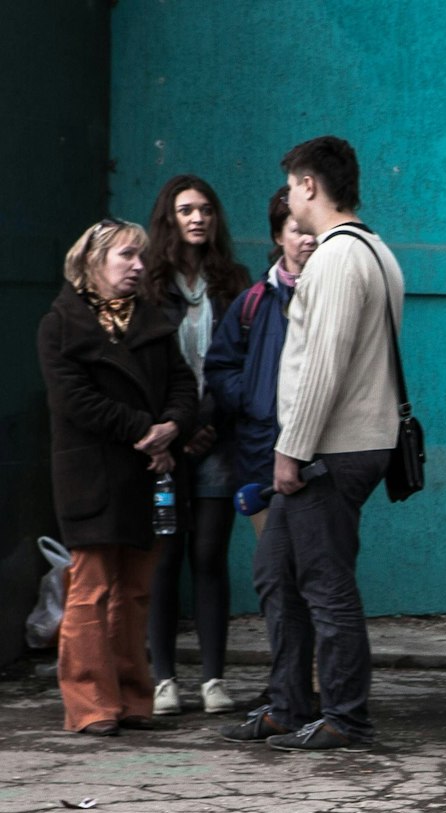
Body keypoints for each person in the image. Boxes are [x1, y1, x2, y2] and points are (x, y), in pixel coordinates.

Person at [220, 135, 403, 752]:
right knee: (276, 572)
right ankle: (288, 703)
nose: (289, 201)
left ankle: (346, 717)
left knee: (325, 584)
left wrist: (289, 451)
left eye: (292, 186)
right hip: (347, 441)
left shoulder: (335, 258)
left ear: (308, 187)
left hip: (332, 447)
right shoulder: (376, 252)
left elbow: (322, 365)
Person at [37, 219, 198, 735]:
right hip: (94, 474)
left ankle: (132, 699)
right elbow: (74, 401)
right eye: (127, 256)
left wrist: (172, 426)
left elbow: (183, 385)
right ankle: (89, 706)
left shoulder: (152, 320)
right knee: (91, 588)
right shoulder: (61, 324)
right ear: (93, 260)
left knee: (135, 589)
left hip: (149, 470)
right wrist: (144, 430)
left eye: (141, 258)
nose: (138, 267)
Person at [142, 175, 252, 717]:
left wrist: (210, 422)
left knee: (209, 553)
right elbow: (143, 367)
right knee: (166, 558)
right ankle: (164, 679)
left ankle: (213, 679)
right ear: (169, 218)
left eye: (206, 209)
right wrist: (173, 428)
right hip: (165, 441)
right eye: (185, 209)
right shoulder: (149, 284)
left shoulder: (233, 282)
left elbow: (243, 362)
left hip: (218, 434)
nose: (197, 218)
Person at [204, 188, 320, 537]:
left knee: (315, 569)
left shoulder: (333, 296)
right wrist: (253, 398)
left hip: (318, 460)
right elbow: (220, 366)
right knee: (273, 568)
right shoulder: (252, 303)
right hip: (261, 457)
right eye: (298, 230)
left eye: (314, 231)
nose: (309, 240)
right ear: (277, 236)